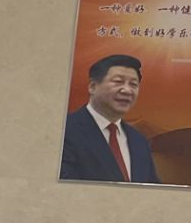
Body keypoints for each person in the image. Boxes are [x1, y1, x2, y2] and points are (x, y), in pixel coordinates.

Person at [60, 53, 158, 184]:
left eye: (133, 84)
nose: (127, 90)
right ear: (92, 86)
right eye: (118, 82)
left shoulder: (139, 141)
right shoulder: (64, 130)